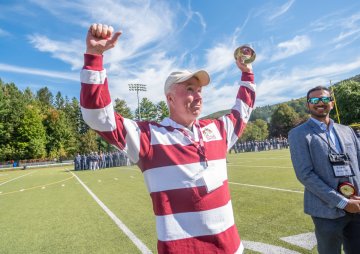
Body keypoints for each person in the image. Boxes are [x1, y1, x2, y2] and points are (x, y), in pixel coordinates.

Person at [80, 23, 256, 254]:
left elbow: (242, 109)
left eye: (200, 90)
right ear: (170, 98)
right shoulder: (149, 136)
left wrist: (247, 73)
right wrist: (95, 57)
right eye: (190, 89)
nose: (198, 96)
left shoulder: (217, 129)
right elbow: (99, 118)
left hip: (231, 249)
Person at [288, 86, 360, 254]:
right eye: (314, 100)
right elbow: (305, 174)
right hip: (326, 210)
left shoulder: (347, 130)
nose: (320, 103)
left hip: (357, 205)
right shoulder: (298, 134)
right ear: (308, 105)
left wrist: (354, 201)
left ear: (332, 104)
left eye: (324, 99)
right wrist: (342, 202)